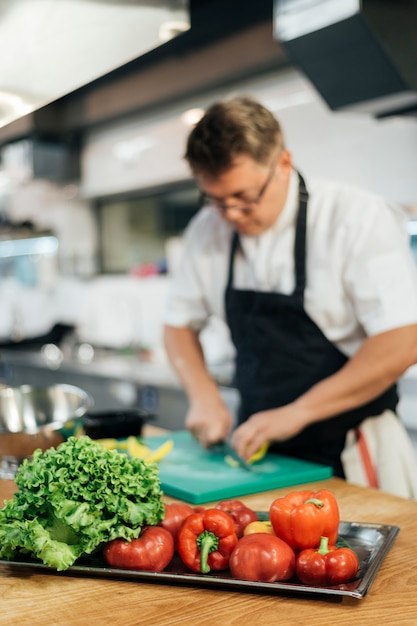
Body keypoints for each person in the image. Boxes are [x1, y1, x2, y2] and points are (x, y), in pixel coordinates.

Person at [162, 95, 417, 482]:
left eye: (245, 198)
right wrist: (204, 396)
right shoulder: (205, 230)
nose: (231, 215)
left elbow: (404, 338)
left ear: (283, 163)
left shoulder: (355, 218)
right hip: (258, 448)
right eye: (216, 199)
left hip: (352, 447)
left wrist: (298, 412)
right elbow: (178, 324)